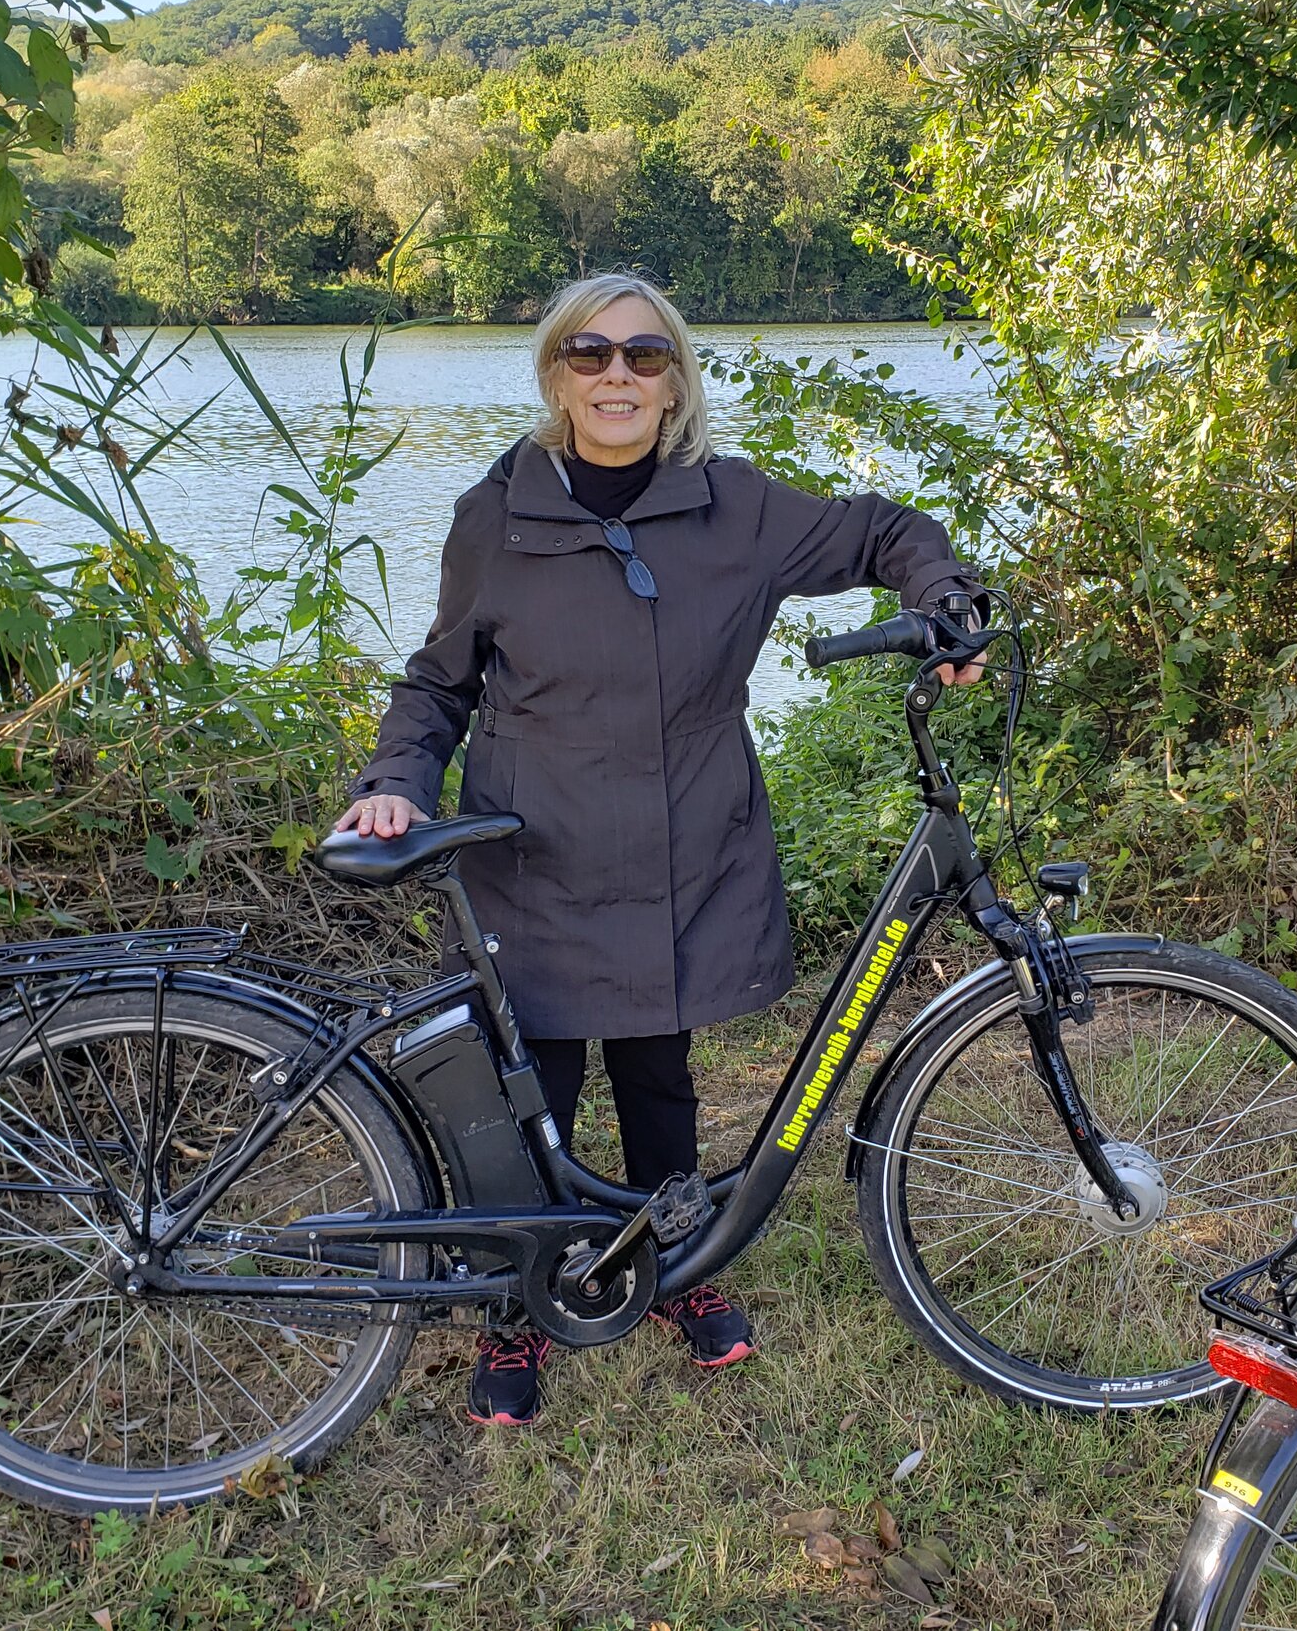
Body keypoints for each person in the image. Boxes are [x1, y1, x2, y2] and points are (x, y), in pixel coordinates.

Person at [334, 272, 985, 1427]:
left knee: (657, 1069)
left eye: (645, 356)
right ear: (554, 374)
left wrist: (944, 592)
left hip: (685, 837)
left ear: (676, 376)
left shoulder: (733, 506)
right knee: (541, 1081)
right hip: (534, 844)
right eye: (590, 356)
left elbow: (885, 529)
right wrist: (393, 783)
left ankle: (676, 1266)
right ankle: (522, 1306)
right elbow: (437, 683)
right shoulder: (496, 513)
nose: (618, 376)